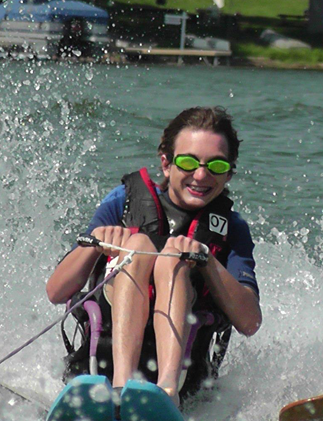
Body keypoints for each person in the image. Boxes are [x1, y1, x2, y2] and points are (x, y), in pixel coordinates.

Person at [46, 106, 262, 408]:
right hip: (101, 374)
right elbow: (56, 291)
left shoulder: (232, 229)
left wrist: (208, 262)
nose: (201, 175)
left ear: (228, 173)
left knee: (173, 257)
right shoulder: (122, 202)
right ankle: (122, 390)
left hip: (184, 388)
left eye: (216, 166)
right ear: (166, 163)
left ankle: (165, 394)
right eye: (188, 162)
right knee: (137, 245)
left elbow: (250, 322)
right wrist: (94, 244)